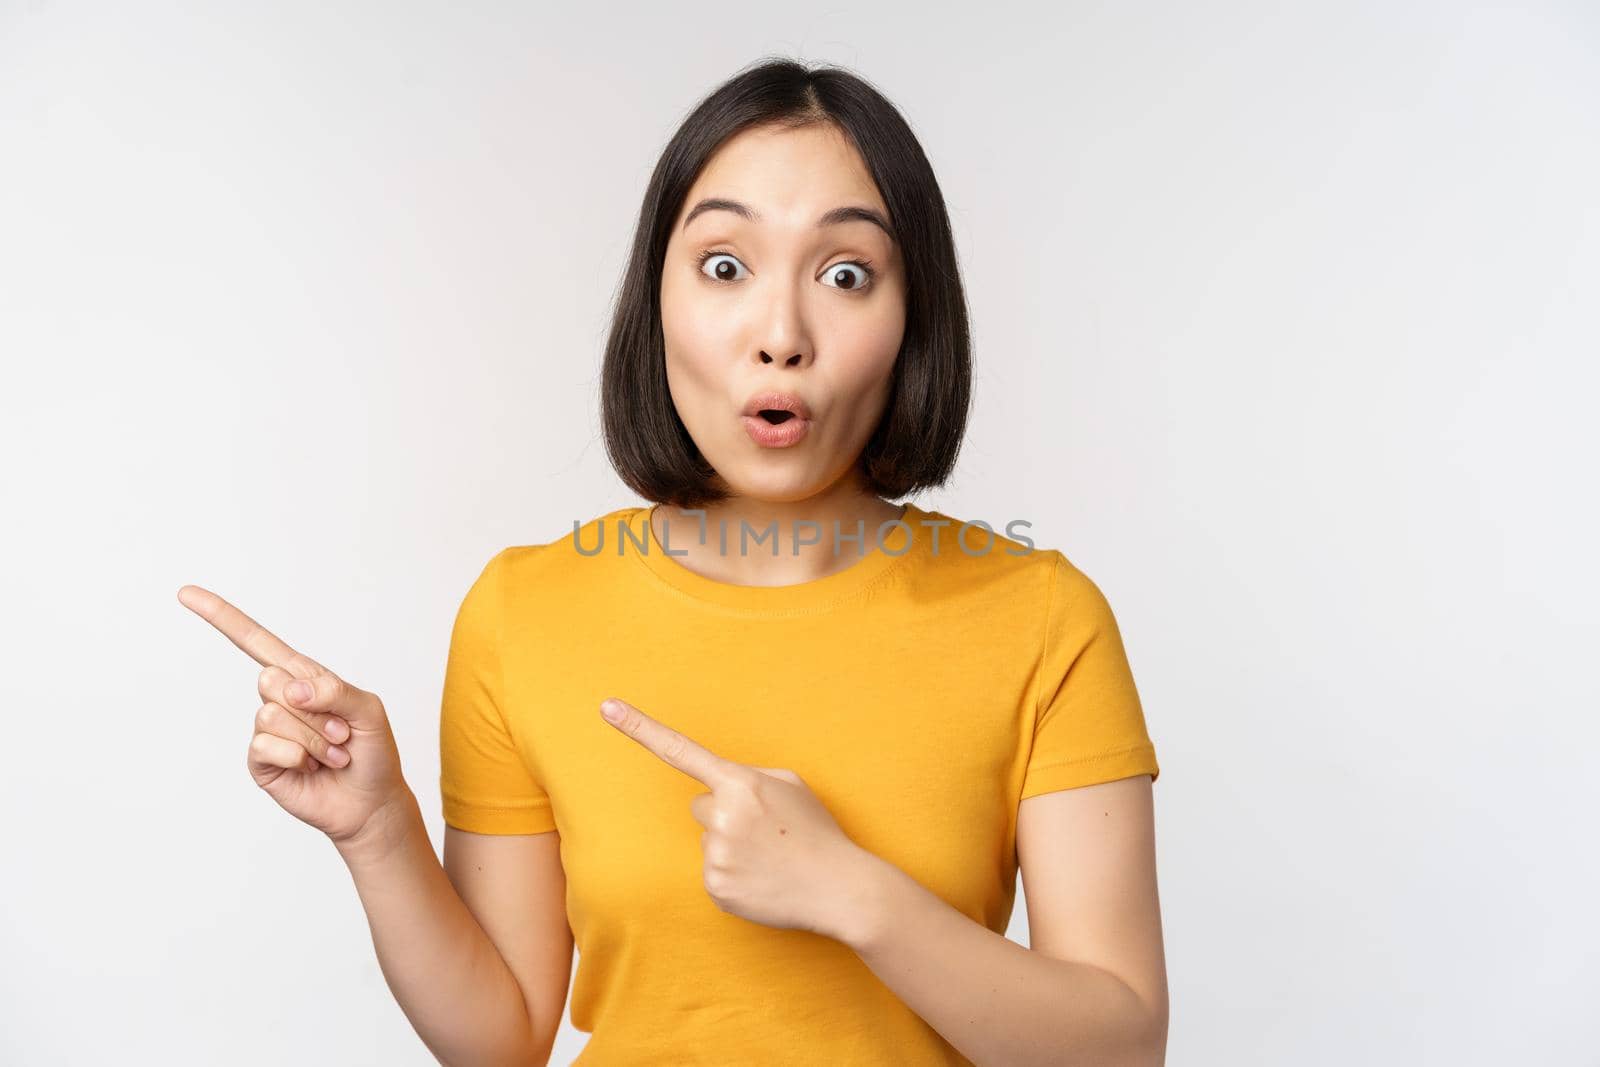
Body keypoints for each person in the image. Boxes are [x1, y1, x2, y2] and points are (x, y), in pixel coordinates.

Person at [179, 57, 1167, 1066]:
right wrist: (378, 829)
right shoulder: (525, 611)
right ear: (656, 303)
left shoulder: (1041, 616)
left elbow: (1121, 1050)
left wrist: (853, 893)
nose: (780, 335)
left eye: (846, 274)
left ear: (914, 316)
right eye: (725, 266)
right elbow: (503, 1038)